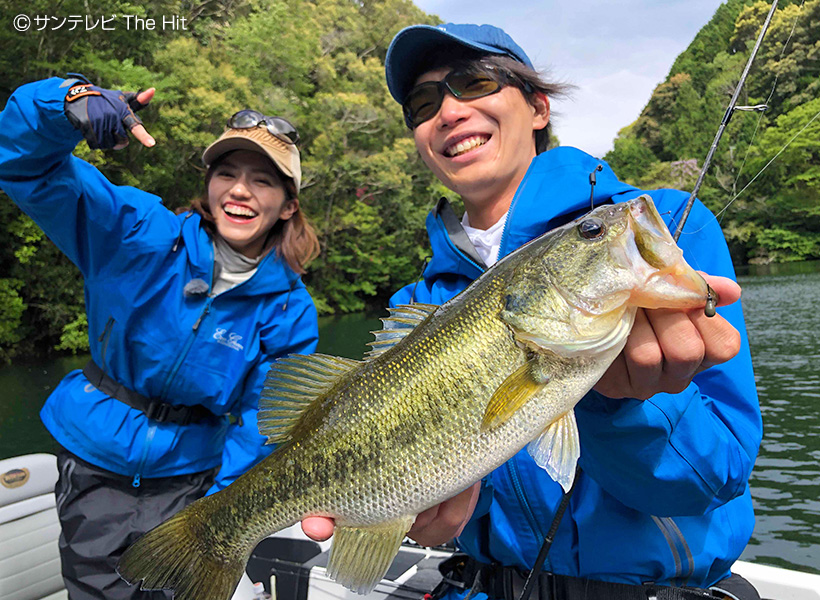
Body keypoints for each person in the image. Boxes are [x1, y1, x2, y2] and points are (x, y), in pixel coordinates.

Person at [301, 23, 762, 600]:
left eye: (475, 82)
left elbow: (715, 477)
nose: (448, 111)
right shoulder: (414, 307)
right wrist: (437, 513)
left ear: (539, 107)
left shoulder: (668, 225)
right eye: (423, 103)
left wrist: (622, 408)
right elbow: (450, 481)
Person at [0, 76, 320, 599]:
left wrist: (219, 502)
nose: (240, 190)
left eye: (263, 180)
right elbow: (23, 165)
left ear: (287, 206)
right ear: (209, 183)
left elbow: (267, 422)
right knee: (98, 588)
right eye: (227, 173)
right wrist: (64, 103)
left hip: (194, 481)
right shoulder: (136, 232)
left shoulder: (290, 310)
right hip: (94, 463)